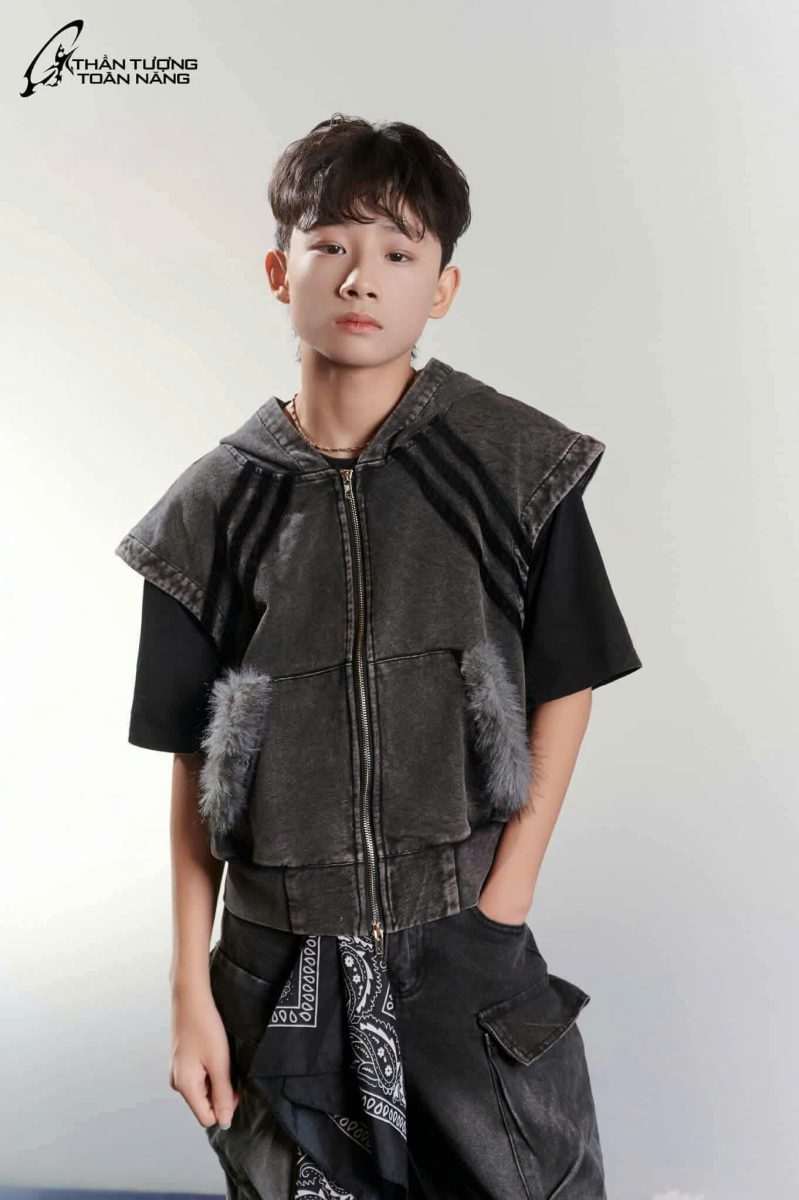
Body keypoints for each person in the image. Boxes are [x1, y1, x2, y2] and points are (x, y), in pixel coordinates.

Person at [116, 113, 643, 1199]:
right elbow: (193, 766)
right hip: (274, 956)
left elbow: (567, 681)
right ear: (280, 272)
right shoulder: (207, 513)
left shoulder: (512, 464)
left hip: (458, 940)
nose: (362, 277)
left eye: (399, 252)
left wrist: (502, 902)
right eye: (331, 245)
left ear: (441, 287)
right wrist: (188, 990)